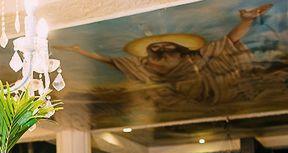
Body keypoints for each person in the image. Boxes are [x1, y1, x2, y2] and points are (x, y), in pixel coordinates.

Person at [57, 4, 273, 107]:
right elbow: (113, 62)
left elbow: (228, 42)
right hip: (176, 93)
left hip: (203, 88)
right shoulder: (144, 64)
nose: (159, 48)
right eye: (156, 47)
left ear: (176, 49)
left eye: (164, 46)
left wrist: (247, 20)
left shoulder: (194, 58)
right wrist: (79, 51)